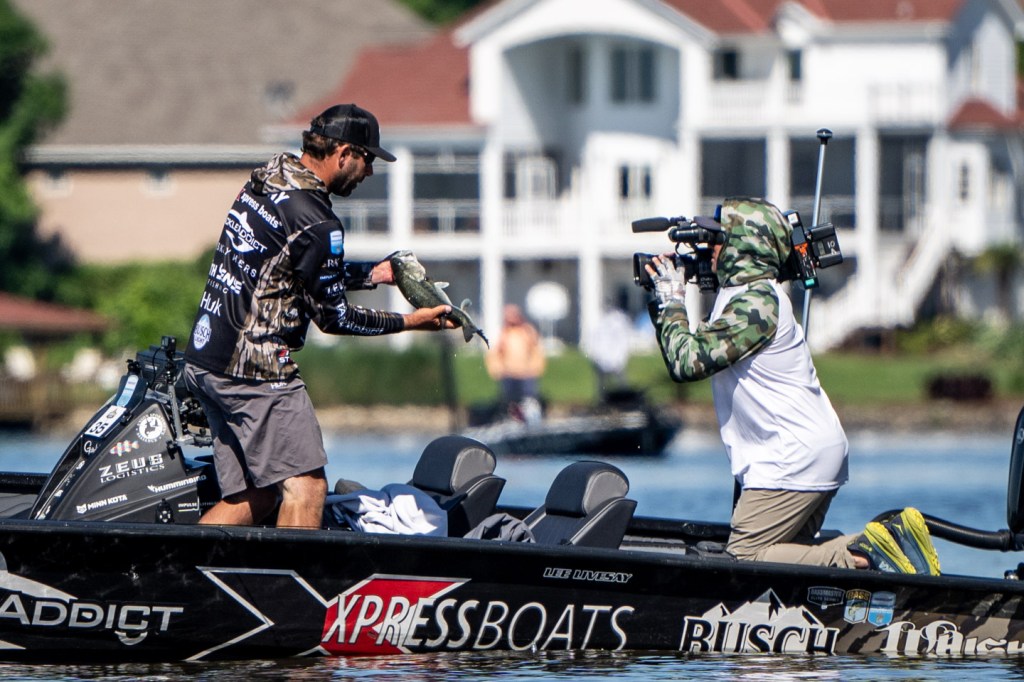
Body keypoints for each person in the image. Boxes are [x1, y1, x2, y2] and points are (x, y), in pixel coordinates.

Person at [183, 103, 453, 530]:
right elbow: (334, 317)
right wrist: (410, 322)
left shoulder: (267, 180)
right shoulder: (318, 221)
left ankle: (178, 566)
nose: (369, 172)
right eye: (367, 160)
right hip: (255, 371)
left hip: (207, 359)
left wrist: (374, 274)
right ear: (343, 153)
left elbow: (295, 270)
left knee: (257, 493)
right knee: (306, 488)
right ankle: (289, 578)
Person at [647, 197, 940, 575]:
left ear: (744, 246)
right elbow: (700, 343)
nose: (712, 249)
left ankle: (865, 551)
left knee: (745, 560)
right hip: (804, 455)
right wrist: (680, 281)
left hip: (790, 460)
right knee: (788, 561)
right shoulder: (746, 297)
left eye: (719, 240)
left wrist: (670, 301)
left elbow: (687, 361)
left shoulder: (756, 304)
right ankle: (886, 548)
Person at [485, 303, 546, 424]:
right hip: (509, 373)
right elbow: (494, 354)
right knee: (509, 401)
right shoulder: (503, 333)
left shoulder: (527, 331)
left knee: (529, 400)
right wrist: (497, 369)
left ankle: (531, 422)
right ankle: (512, 420)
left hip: (526, 373)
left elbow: (537, 350)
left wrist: (535, 368)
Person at [581, 301, 633, 402]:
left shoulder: (617, 321)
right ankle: (603, 399)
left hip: (615, 357)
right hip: (605, 357)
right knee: (603, 384)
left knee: (620, 383)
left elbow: (623, 340)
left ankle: (624, 399)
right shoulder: (602, 321)